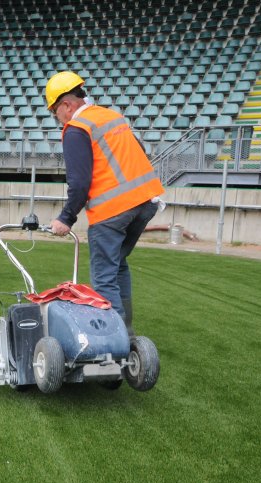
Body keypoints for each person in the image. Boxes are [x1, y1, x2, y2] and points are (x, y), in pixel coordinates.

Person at [45, 71, 164, 336]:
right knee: (118, 264)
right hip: (146, 202)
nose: (57, 117)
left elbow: (79, 183)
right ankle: (128, 333)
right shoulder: (112, 116)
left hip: (112, 211)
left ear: (67, 104)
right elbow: (140, 153)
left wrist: (65, 218)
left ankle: (116, 340)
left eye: (56, 111)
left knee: (103, 278)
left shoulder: (76, 128)